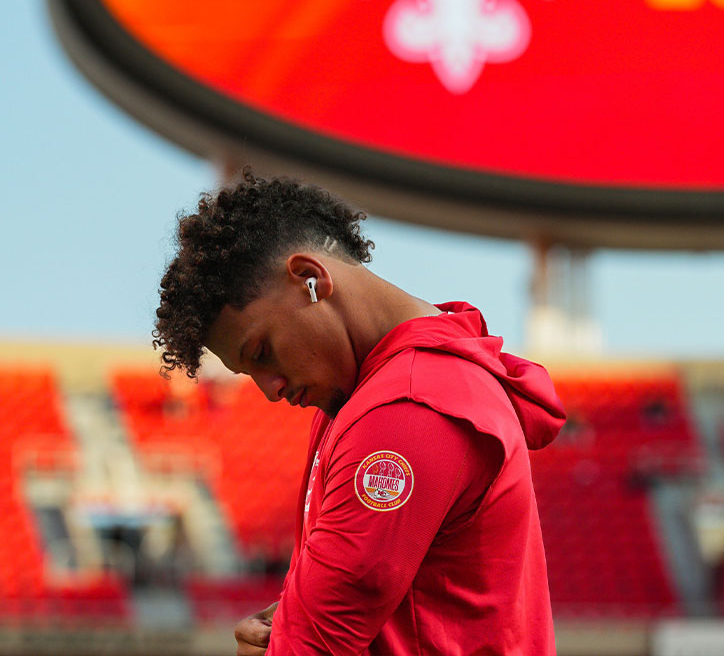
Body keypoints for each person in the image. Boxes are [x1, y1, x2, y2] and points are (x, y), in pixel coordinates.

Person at [152, 171, 565, 655]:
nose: (270, 390)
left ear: (310, 279)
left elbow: (319, 644)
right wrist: (285, 623)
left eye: (262, 352)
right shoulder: (381, 387)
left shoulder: (407, 408)